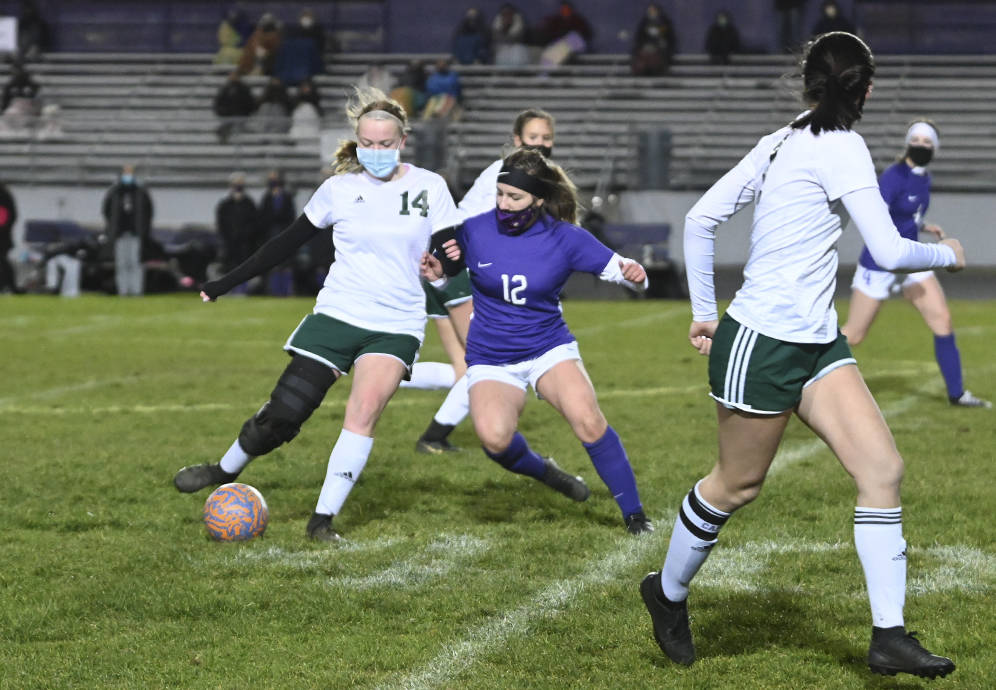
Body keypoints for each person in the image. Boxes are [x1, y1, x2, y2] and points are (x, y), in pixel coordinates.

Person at [639, 32, 959, 679]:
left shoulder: (785, 137)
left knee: (883, 470)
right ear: (865, 89)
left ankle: (889, 636)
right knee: (737, 485)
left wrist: (705, 308)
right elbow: (893, 252)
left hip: (816, 342)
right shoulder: (837, 145)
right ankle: (666, 594)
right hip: (763, 342)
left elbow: (701, 219)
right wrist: (946, 254)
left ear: (810, 81)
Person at [173, 86, 464, 543]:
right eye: (367, 144)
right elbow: (285, 244)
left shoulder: (430, 187)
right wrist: (226, 282)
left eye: (385, 144)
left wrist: (443, 266)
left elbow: (454, 249)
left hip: (396, 323)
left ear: (402, 142)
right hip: (338, 313)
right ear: (357, 141)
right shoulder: (338, 190)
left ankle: (321, 521)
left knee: (363, 411)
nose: (376, 152)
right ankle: (222, 469)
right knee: (285, 414)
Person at [424, 148, 654, 535]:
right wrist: (438, 278)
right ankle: (549, 474)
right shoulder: (475, 230)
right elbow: (447, 278)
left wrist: (638, 275)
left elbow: (628, 275)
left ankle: (635, 516)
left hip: (547, 347)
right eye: (500, 194)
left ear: (539, 199)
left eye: (514, 197)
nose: (503, 204)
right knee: (495, 440)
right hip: (492, 356)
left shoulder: (565, 237)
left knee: (588, 421)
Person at [411, 108, 558, 455]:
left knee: (465, 368)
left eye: (546, 138)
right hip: (460, 266)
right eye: (533, 138)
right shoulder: (517, 174)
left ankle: (386, 371)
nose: (541, 145)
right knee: (492, 361)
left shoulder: (517, 171)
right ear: (518, 140)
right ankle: (429, 429)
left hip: (444, 261)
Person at [842, 121, 990, 408]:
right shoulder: (894, 176)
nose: (920, 145)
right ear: (908, 142)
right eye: (916, 139)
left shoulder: (924, 178)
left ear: (934, 147)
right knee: (855, 334)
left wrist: (923, 227)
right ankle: (797, 368)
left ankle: (957, 394)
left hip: (912, 258)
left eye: (926, 141)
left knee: (942, 321)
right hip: (880, 263)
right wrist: (889, 249)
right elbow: (876, 217)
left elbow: (907, 215)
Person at [102, 164, 153, 297]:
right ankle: (123, 291)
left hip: (136, 233)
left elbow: (148, 212)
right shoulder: (114, 192)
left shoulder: (140, 192)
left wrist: (144, 230)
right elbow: (107, 211)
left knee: (135, 262)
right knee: (121, 263)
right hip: (119, 233)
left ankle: (136, 290)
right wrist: (112, 228)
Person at [215, 171, 260, 295]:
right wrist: (229, 237)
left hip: (245, 244)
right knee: (229, 267)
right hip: (229, 244)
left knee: (243, 268)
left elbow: (255, 223)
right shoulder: (225, 204)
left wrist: (245, 235)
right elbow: (221, 224)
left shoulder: (249, 204)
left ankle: (243, 290)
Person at [258, 169, 297, 296]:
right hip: (270, 235)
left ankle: (285, 291)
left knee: (285, 264)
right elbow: (262, 218)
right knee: (272, 264)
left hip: (284, 234)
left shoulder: (286, 197)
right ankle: (272, 291)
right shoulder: (267, 198)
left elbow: (290, 217)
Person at [538, 1, 593, 68]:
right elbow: (546, 34)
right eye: (563, 9)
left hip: (575, 51)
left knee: (573, 37)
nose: (565, 11)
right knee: (551, 55)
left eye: (567, 9)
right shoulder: (555, 21)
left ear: (571, 10)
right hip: (557, 50)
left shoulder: (578, 21)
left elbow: (586, 36)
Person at [630, 3, 676, 76]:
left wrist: (661, 44)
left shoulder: (665, 22)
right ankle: (643, 71)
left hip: (660, 50)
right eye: (650, 11)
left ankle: (656, 71)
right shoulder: (644, 23)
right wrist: (645, 46)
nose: (652, 12)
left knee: (656, 57)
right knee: (643, 55)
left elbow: (670, 38)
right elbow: (639, 38)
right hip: (646, 50)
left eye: (654, 10)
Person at [212, 71, 256, 143]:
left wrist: (246, 112)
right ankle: (224, 139)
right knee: (228, 126)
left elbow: (250, 103)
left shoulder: (244, 88)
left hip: (241, 115)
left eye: (235, 76)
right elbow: (218, 103)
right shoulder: (225, 89)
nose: (233, 77)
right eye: (232, 75)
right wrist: (222, 111)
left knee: (236, 126)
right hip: (228, 115)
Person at [237, 12, 281, 77]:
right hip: (251, 69)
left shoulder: (276, 37)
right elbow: (259, 53)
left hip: (268, 70)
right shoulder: (256, 36)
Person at [0, 180, 17, 293]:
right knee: (3, 262)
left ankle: (9, 285)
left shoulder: (3, 196)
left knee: (3, 262)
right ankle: (9, 285)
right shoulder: (5, 195)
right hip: (5, 236)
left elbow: (4, 218)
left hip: (2, 237)